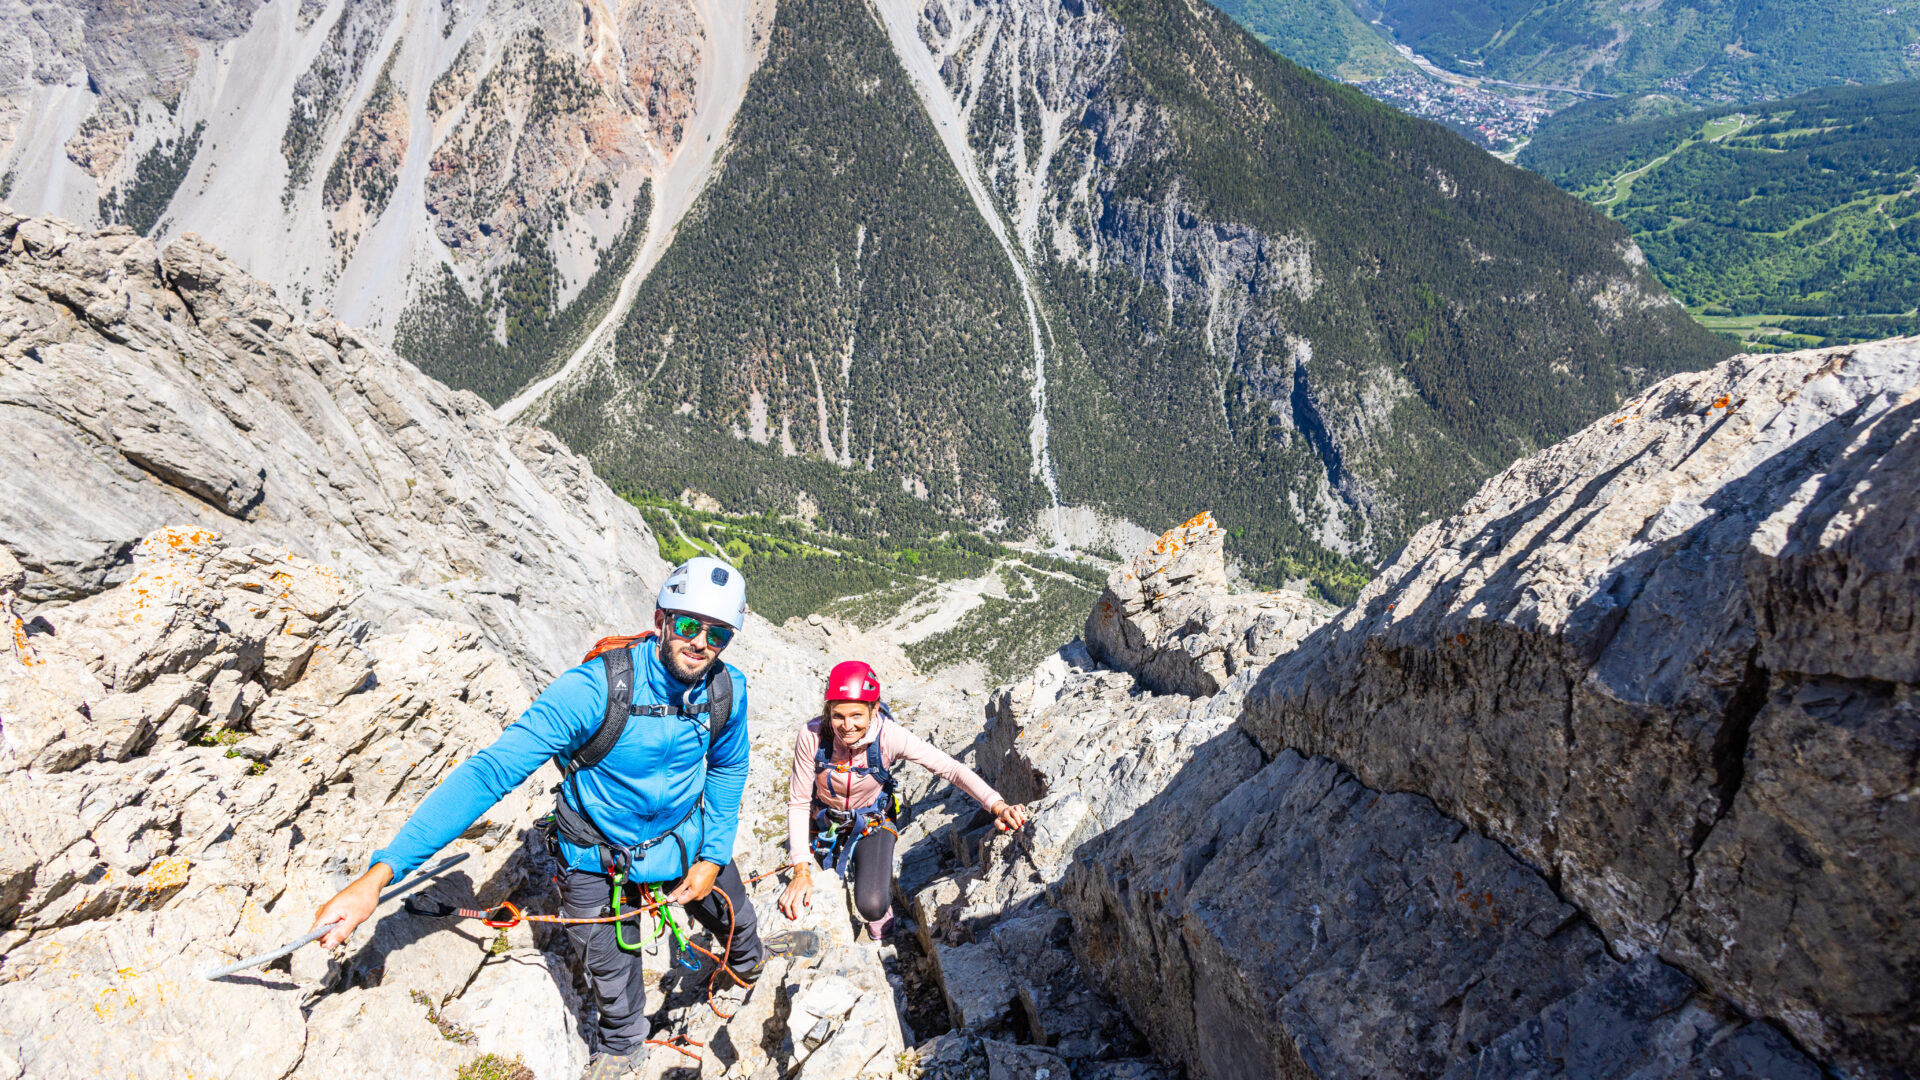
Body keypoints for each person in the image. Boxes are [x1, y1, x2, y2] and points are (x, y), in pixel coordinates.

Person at [310, 556, 764, 1080]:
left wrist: (711, 855)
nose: (702, 642)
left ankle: (749, 966)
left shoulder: (725, 690)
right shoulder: (595, 690)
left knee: (738, 922)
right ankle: (624, 1049)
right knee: (613, 978)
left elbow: (729, 767)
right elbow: (489, 774)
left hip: (684, 842)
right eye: (689, 624)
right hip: (598, 857)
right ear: (661, 618)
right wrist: (379, 876)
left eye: (719, 634)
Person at [778, 661, 1028, 940]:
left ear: (874, 710)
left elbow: (950, 768)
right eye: (838, 716)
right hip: (824, 823)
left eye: (857, 715)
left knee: (872, 905)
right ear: (828, 713)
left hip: (872, 820)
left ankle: (883, 933)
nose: (847, 726)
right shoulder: (812, 736)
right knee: (811, 892)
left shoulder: (888, 736)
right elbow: (799, 801)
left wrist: (997, 805)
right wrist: (800, 868)